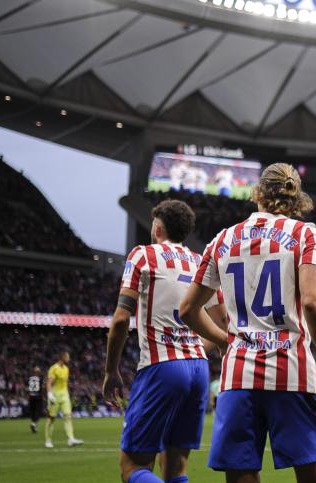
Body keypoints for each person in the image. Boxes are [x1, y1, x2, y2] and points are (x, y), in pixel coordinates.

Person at [180, 163, 316, 483]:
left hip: (237, 375)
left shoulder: (222, 240)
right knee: (312, 473)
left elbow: (188, 310)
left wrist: (226, 340)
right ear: (296, 197)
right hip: (291, 372)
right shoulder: (306, 234)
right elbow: (312, 302)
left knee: (240, 472)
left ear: (258, 194)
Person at [103, 199, 224, 483]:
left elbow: (120, 320)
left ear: (157, 228)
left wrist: (111, 370)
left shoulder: (142, 255)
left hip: (162, 367)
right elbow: (221, 323)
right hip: (198, 370)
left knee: (133, 467)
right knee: (176, 467)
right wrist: (194, 347)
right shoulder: (200, 262)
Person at [45, 351, 83, 448]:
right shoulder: (54, 368)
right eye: (67, 357)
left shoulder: (66, 369)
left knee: (68, 416)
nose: (69, 358)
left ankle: (71, 439)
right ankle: (48, 440)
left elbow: (64, 383)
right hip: (55, 396)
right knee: (51, 418)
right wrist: (49, 394)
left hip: (65, 395)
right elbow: (49, 382)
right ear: (62, 357)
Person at [27, 366, 44, 433]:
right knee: (38, 411)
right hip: (38, 396)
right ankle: (34, 424)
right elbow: (42, 387)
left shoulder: (30, 378)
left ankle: (33, 424)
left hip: (31, 396)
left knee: (33, 411)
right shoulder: (40, 378)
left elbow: (28, 387)